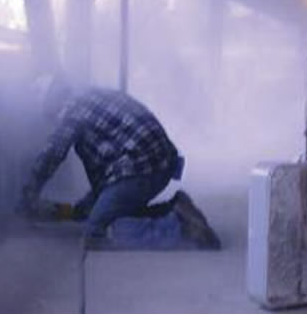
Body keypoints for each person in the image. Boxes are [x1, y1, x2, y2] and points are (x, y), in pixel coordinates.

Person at [16, 76, 221, 249]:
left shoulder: (71, 111)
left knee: (95, 235)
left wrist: (29, 191)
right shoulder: (93, 96)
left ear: (50, 102)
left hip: (139, 168)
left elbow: (53, 153)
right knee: (114, 209)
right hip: (158, 163)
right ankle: (173, 209)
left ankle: (182, 231)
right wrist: (72, 211)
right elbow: (107, 181)